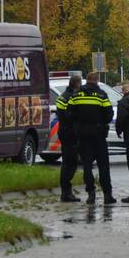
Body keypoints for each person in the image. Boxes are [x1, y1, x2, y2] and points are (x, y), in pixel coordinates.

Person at [69, 71, 116, 205]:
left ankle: (91, 194)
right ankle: (107, 195)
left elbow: (70, 113)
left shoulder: (76, 95)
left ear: (87, 80)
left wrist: (78, 124)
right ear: (96, 81)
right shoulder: (101, 95)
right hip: (99, 135)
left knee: (87, 166)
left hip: (83, 135)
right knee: (103, 166)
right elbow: (109, 115)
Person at [54, 73, 82, 203]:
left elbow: (61, 115)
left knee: (67, 162)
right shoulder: (72, 98)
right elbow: (70, 116)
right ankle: (66, 193)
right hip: (70, 133)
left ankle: (65, 192)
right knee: (70, 163)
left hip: (64, 132)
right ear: (77, 84)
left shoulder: (62, 97)